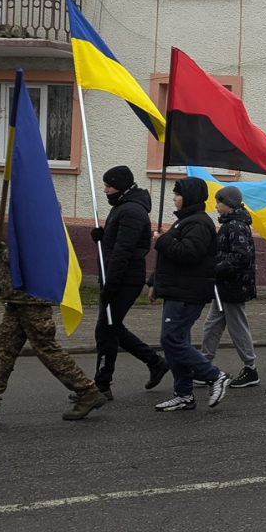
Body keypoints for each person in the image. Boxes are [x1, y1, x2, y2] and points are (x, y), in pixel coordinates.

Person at [0, 246, 108, 424]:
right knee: (2, 350)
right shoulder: (25, 225)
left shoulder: (36, 224)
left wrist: (5, 254)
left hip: (33, 300)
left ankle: (87, 391)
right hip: (18, 298)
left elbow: (35, 255)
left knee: (46, 349)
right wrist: (3, 288)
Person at [148, 177, 231, 411]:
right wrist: (154, 282)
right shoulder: (184, 222)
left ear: (190, 196)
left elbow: (189, 254)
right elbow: (169, 260)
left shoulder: (198, 223)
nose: (174, 197)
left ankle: (214, 375)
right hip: (176, 289)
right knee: (177, 340)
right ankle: (183, 393)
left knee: (171, 339)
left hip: (188, 292)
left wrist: (162, 241)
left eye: (178, 193)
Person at [89, 165, 167, 400]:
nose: (105, 191)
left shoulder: (132, 211)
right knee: (113, 328)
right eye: (104, 185)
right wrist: (102, 239)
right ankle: (155, 362)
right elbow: (116, 243)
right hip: (116, 277)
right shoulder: (122, 207)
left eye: (108, 186)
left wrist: (111, 285)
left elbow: (124, 251)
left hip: (124, 280)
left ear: (120, 187)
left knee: (105, 331)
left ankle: (102, 384)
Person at [199, 186, 259, 388]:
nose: (216, 206)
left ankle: (250, 368)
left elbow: (242, 256)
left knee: (237, 327)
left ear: (230, 204)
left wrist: (216, 264)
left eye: (219, 202)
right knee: (212, 325)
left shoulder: (235, 226)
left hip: (233, 285)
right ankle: (203, 365)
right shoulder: (231, 224)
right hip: (224, 285)